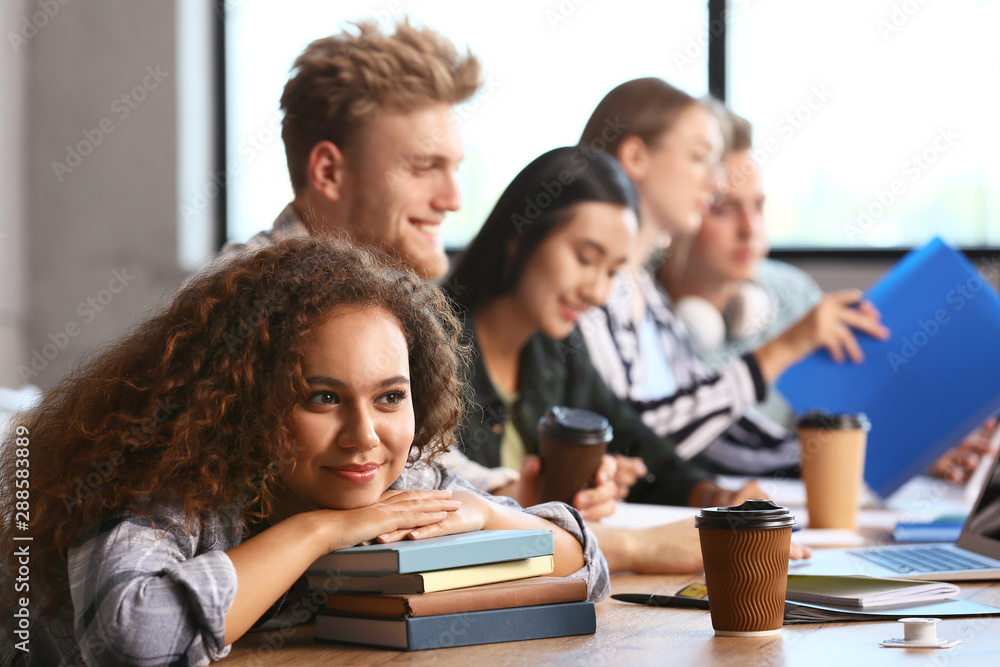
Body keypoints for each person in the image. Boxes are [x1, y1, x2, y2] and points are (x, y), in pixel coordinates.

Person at [0, 238, 607, 666]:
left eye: (390, 397)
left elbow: (587, 565)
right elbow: (133, 641)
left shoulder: (398, 480)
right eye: (322, 398)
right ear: (244, 402)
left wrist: (488, 515)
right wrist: (319, 531)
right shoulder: (166, 486)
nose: (364, 435)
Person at [442, 146, 808, 572]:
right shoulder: (431, 349)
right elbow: (440, 494)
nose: (596, 292)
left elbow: (638, 442)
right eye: (585, 258)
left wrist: (713, 498)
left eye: (613, 271)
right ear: (519, 236)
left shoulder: (557, 351)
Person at [577, 78, 890, 476]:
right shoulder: (591, 291)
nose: (716, 181)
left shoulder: (644, 295)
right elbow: (639, 440)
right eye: (698, 157)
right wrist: (781, 350)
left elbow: (718, 436)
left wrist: (863, 464)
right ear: (636, 157)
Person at [222, 20, 481, 280]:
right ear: (329, 172)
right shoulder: (239, 302)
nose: (453, 201)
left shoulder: (378, 293)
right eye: (424, 168)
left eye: (455, 168)